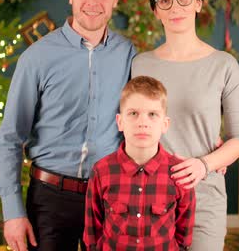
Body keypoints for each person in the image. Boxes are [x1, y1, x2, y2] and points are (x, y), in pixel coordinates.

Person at [0, 0, 136, 251]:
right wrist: (13, 212)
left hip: (110, 197)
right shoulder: (37, 57)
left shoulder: (128, 54)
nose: (92, 1)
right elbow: (9, 138)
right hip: (49, 199)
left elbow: (148, 113)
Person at [131, 0, 239, 250]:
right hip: (150, 198)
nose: (175, 7)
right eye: (165, 0)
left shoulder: (224, 65)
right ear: (155, 10)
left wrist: (206, 163)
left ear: (198, 3)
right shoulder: (140, 64)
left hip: (204, 197)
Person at [83, 76, 195, 251]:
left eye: (152, 114)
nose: (142, 123)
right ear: (120, 122)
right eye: (133, 113)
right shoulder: (101, 171)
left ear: (165, 124)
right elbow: (92, 231)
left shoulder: (179, 173)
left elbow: (184, 235)